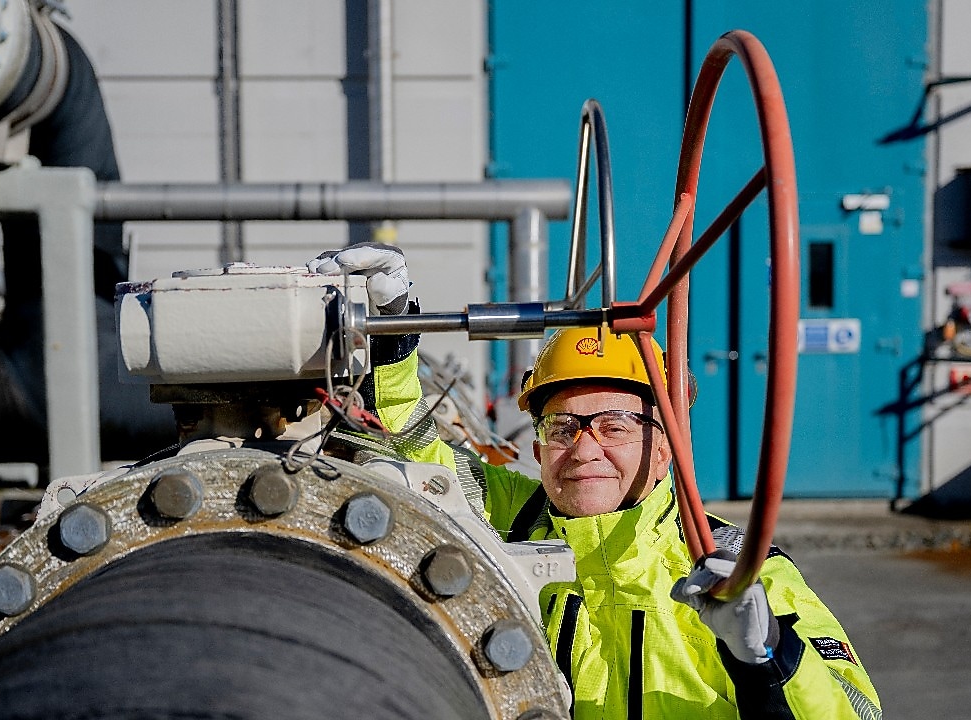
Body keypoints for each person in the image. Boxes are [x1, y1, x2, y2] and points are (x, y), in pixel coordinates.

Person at [308, 244, 882, 719]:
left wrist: (769, 657)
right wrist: (393, 328)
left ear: (665, 449)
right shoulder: (507, 523)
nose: (584, 448)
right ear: (537, 448)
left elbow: (857, 711)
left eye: (613, 425)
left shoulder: (736, 571)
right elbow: (411, 450)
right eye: (564, 427)